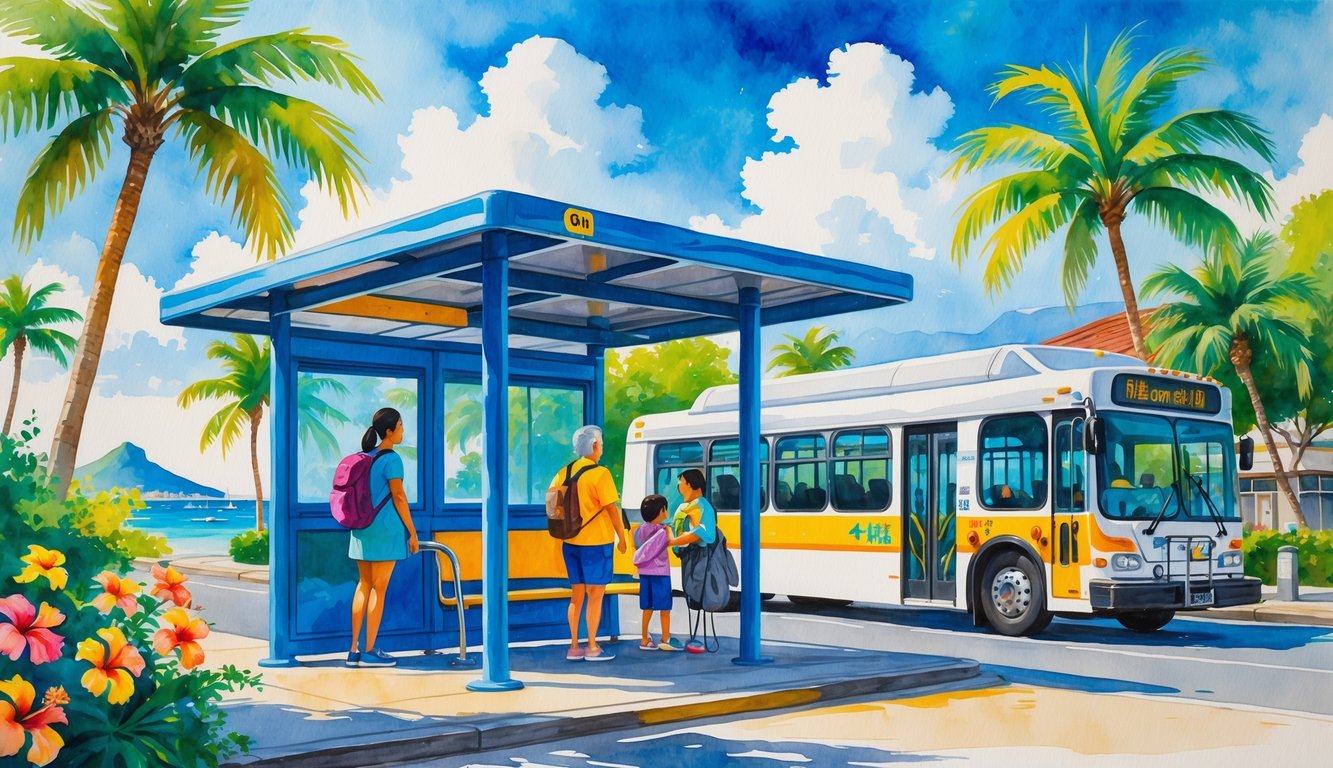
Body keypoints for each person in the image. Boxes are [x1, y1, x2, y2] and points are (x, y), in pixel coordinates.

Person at [347, 407, 419, 668]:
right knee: (379, 588)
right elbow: (399, 497)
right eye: (400, 425)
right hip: (385, 530)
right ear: (389, 431)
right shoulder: (392, 459)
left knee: (363, 585)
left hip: (361, 529)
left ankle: (353, 650)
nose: (402, 430)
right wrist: (412, 532)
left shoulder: (366, 458)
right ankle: (369, 651)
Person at [550, 425, 629, 662]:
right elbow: (612, 510)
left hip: (570, 542)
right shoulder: (600, 474)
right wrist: (622, 537)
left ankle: (574, 646)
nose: (602, 449)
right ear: (594, 445)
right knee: (595, 595)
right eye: (601, 445)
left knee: (576, 596)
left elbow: (554, 507)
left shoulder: (562, 473)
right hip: (596, 543)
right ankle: (592, 646)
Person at [668, 468, 717, 652]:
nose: (679, 487)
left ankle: (700, 638)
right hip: (687, 556)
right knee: (690, 592)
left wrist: (677, 541)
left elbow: (706, 533)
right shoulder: (684, 506)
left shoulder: (703, 506)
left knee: (699, 590)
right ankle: (694, 637)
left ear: (690, 484)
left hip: (701, 557)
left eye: (681, 483)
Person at [632, 494, 681, 651]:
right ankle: (665, 637)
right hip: (660, 573)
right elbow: (673, 542)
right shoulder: (664, 531)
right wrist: (670, 529)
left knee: (648, 607)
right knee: (664, 608)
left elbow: (637, 546)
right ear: (662, 511)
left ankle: (644, 639)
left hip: (645, 573)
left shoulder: (639, 530)